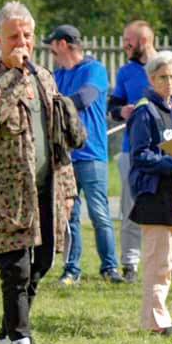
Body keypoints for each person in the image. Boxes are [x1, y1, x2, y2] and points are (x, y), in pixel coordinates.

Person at [0, 1, 84, 344]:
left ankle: (6, 337)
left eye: (28, 36)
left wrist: (67, 192)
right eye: (14, 36)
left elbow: (58, 140)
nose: (23, 43)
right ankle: (22, 341)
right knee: (15, 269)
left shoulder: (45, 77)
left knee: (43, 263)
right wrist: (14, 75)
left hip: (45, 190)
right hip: (4, 195)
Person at [44, 24, 123, 285]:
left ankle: (110, 268)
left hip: (91, 154)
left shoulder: (94, 70)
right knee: (70, 216)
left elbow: (86, 97)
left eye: (52, 45)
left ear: (63, 44)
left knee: (100, 214)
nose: (51, 50)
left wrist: (57, 104)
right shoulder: (58, 75)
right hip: (65, 157)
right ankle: (71, 270)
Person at [126, 51, 172, 334]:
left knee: (167, 262)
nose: (168, 82)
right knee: (157, 261)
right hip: (154, 194)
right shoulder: (146, 111)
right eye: (162, 77)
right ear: (152, 79)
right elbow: (140, 155)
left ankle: (158, 317)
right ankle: (155, 323)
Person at [109, 20, 157, 283]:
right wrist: (121, 111)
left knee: (168, 206)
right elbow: (113, 106)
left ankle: (170, 261)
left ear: (145, 41)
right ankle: (130, 263)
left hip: (165, 150)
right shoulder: (126, 72)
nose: (124, 44)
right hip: (131, 150)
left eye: (129, 39)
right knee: (130, 207)